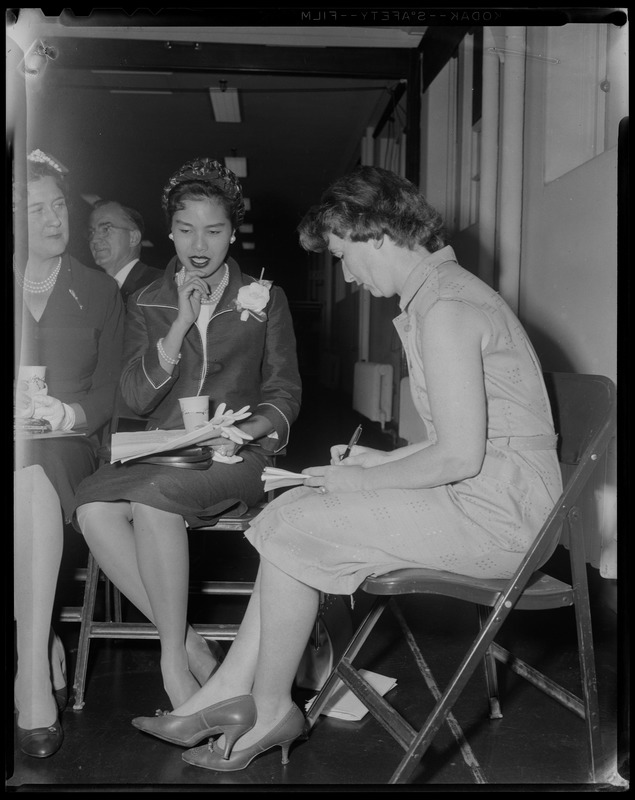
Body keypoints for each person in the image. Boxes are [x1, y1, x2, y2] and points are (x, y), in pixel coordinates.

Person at [128, 165, 564, 773]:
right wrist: (384, 461)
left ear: (376, 235)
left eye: (342, 256)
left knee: (297, 523)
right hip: (499, 494)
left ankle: (266, 701)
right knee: (294, 508)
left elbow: (462, 457)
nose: (347, 275)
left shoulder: (446, 308)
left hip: (505, 519)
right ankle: (235, 692)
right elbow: (475, 442)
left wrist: (363, 480)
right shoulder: (441, 294)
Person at [74, 157, 302, 713]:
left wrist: (243, 433)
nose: (199, 244)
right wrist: (177, 326)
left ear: (232, 232)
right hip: (163, 453)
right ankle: (191, 644)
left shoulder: (265, 299)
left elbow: (284, 395)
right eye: (186, 229)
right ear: (169, 232)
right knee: (93, 512)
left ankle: (173, 665)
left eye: (215, 230)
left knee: (153, 507)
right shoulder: (146, 302)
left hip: (236, 453)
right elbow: (133, 399)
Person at [13, 149, 125, 758]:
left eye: (59, 206)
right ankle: (44, 633)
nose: (54, 220)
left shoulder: (98, 289)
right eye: (37, 210)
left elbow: (109, 390)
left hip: (68, 444)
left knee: (32, 478)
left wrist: (68, 414)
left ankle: (31, 681)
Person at [87, 199, 163, 305]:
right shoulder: (91, 291)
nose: (94, 239)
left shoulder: (157, 285)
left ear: (133, 238)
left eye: (106, 229)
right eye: (92, 232)